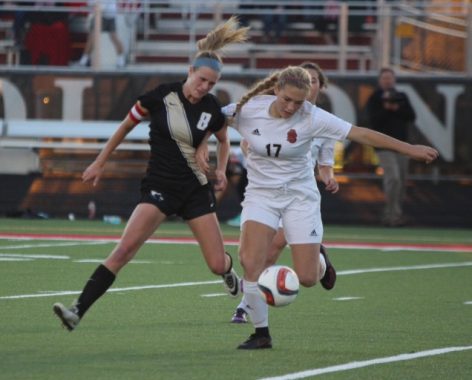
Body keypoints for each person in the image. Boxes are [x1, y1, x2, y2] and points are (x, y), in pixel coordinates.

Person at [208, 65, 437, 350]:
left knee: (307, 278)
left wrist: (410, 148)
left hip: (299, 198)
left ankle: (321, 260)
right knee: (251, 261)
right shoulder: (248, 108)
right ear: (276, 89)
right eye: (287, 99)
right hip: (260, 195)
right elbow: (207, 119)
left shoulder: (313, 117)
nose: (292, 106)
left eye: (299, 102)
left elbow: (362, 134)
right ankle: (261, 333)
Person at [53, 16, 250, 332]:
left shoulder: (212, 107)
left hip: (195, 190)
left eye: (211, 84)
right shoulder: (159, 97)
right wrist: (100, 161)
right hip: (159, 187)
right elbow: (125, 126)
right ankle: (77, 310)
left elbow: (223, 139)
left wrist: (222, 169)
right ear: (190, 71)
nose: (205, 87)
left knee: (215, 263)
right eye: (201, 80)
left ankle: (229, 273)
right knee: (124, 250)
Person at [230, 62, 339, 324]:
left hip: (299, 197)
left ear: (319, 87)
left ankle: (318, 263)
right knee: (262, 254)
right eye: (307, 78)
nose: (310, 84)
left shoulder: (321, 121)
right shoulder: (269, 111)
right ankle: (247, 306)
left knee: (297, 267)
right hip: (267, 193)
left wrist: (329, 178)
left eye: (314, 80)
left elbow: (325, 163)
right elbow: (248, 142)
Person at [365, 67, 416, 226]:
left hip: (401, 145)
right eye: (384, 78)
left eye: (390, 77)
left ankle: (395, 214)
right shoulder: (375, 98)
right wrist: (386, 110)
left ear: (394, 79)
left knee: (401, 180)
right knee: (393, 177)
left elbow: (411, 116)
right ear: (380, 80)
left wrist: (396, 109)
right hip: (383, 146)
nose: (387, 81)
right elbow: (372, 121)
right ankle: (390, 214)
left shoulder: (401, 97)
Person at [74, 0, 126, 67]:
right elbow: (90, 3)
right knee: (93, 38)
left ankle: (83, 61)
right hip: (106, 14)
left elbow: (101, 6)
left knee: (110, 37)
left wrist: (96, 7)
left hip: (105, 15)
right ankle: (84, 61)